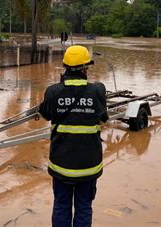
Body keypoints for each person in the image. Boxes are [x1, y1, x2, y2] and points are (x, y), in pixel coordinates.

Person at [39, 45, 108, 227]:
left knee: (61, 206)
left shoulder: (53, 91)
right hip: (89, 167)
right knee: (84, 207)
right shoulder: (97, 92)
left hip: (61, 166)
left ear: (65, 67)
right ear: (85, 68)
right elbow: (103, 118)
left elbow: (45, 114)